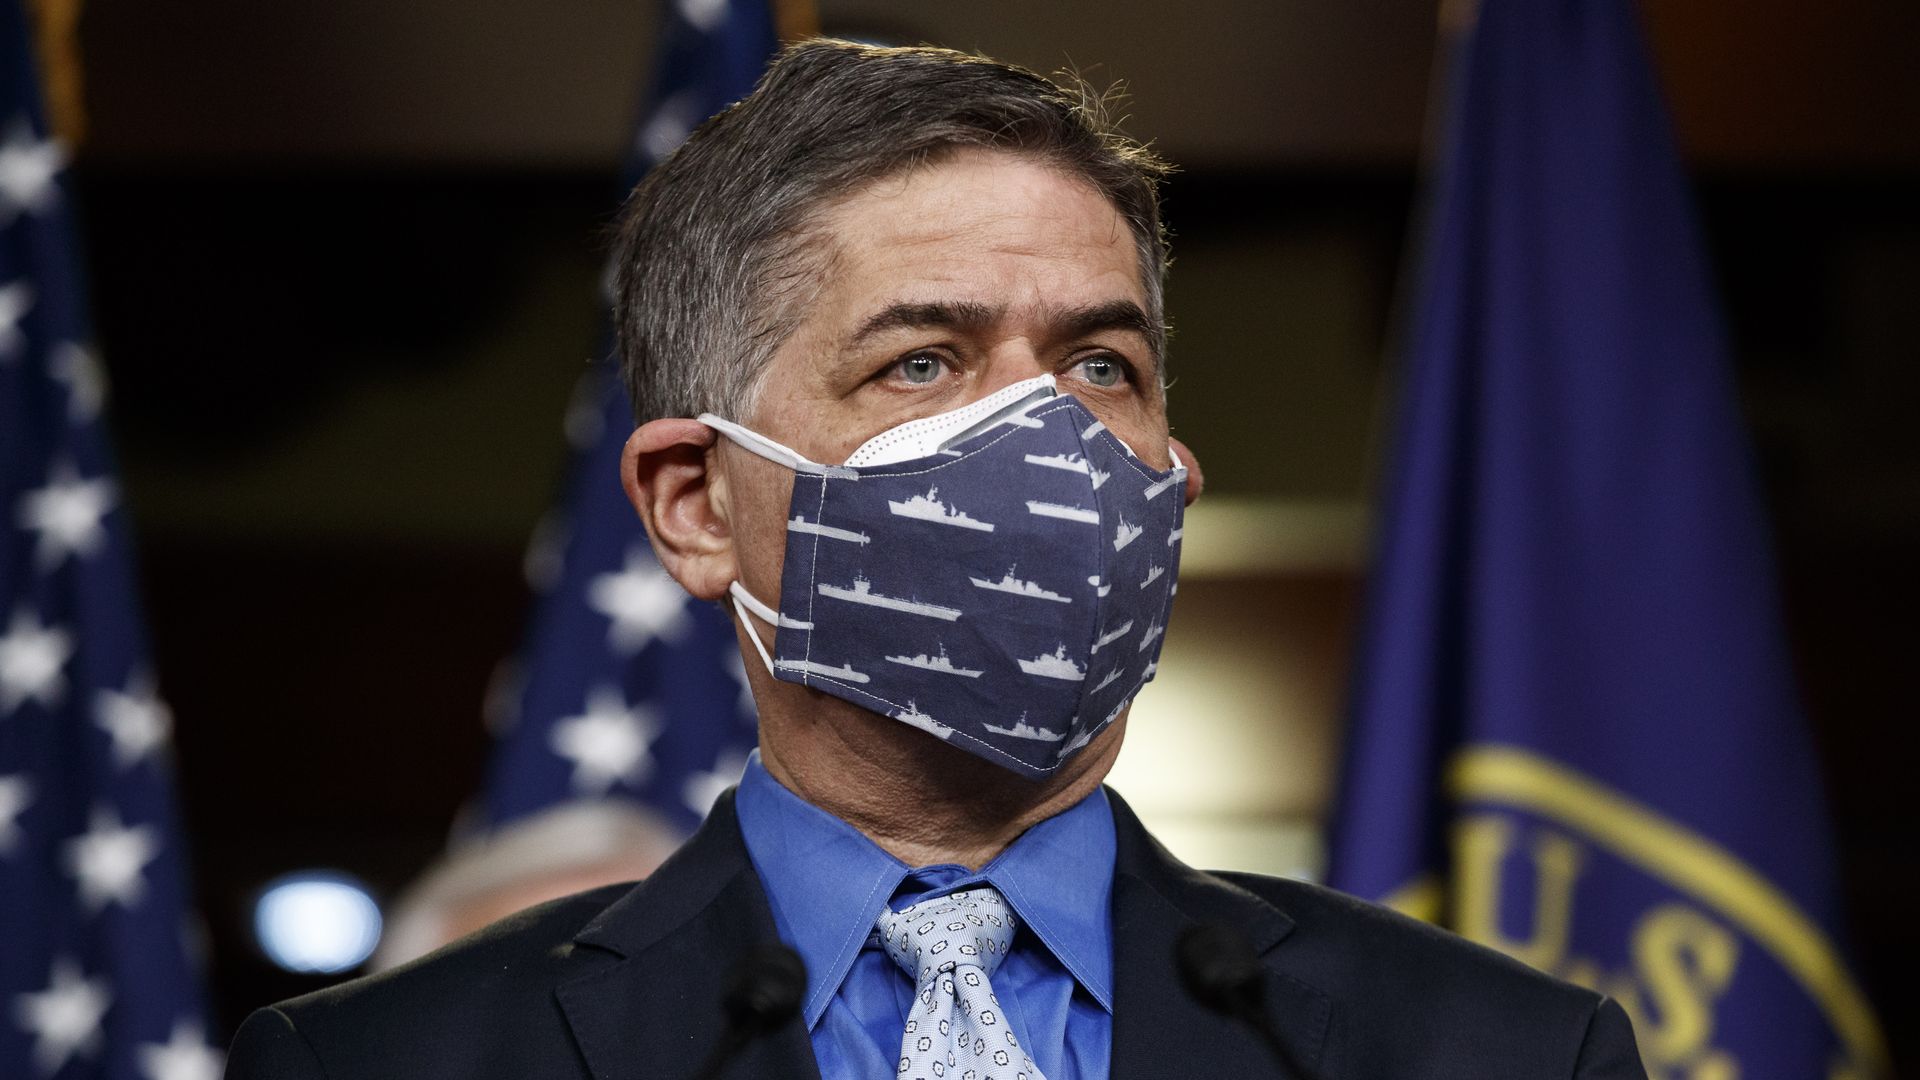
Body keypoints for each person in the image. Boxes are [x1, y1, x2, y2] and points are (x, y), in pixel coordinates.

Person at [226, 40, 1646, 1079]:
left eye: (1101, 363)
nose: (1042, 430)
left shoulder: (1504, 1051)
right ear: (695, 505)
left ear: (1175, 472)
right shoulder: (387, 1065)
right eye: (922, 361)